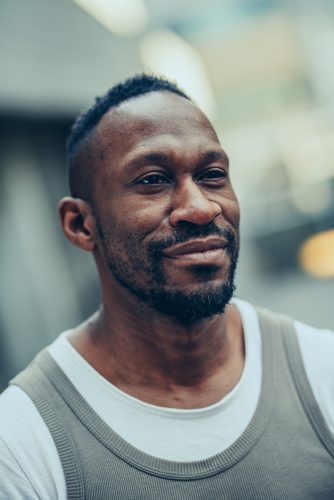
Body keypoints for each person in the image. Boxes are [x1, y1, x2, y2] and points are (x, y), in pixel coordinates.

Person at [0, 74, 333, 499]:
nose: (200, 207)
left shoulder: (322, 370)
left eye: (213, 175)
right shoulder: (22, 444)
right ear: (81, 224)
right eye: (153, 180)